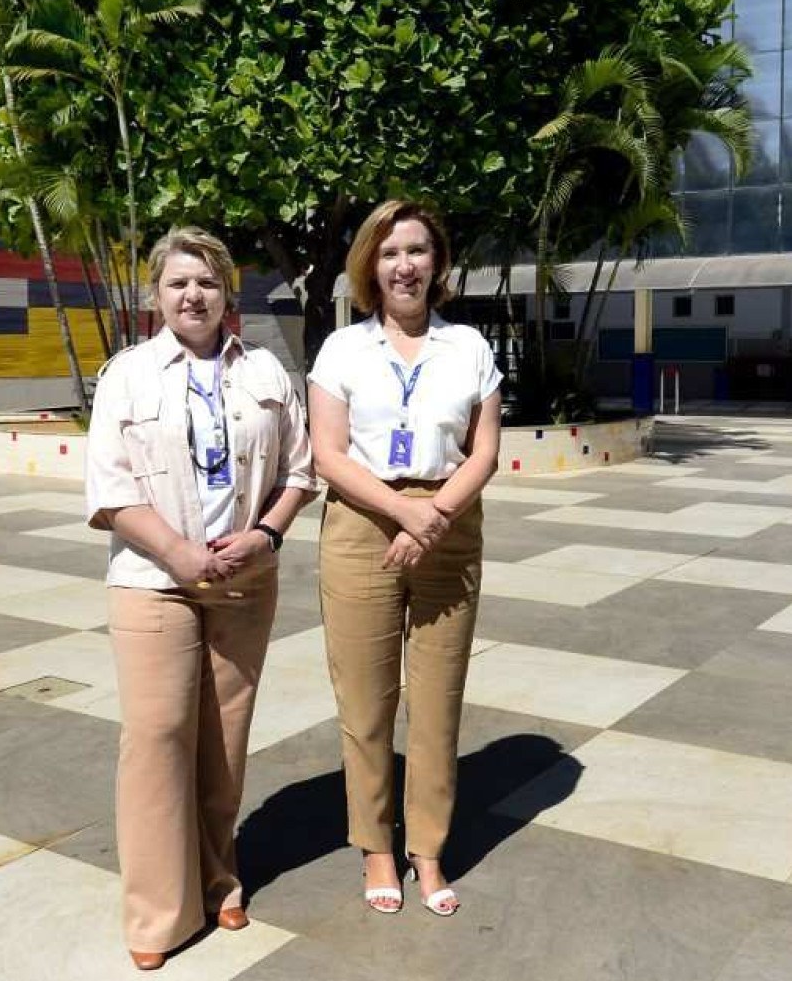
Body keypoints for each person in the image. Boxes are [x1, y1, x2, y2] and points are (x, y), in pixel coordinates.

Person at [86, 227, 316, 971]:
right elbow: (111, 490)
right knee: (156, 738)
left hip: (244, 581)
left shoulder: (267, 375)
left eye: (208, 282)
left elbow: (299, 472)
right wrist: (179, 551)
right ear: (156, 294)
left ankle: (220, 874)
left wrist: (268, 537)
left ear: (228, 295)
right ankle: (159, 910)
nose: (194, 295)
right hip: (155, 580)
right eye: (179, 282)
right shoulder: (126, 374)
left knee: (224, 739)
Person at [306, 200, 503, 918]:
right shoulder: (342, 350)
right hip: (364, 523)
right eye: (390, 253)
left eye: (417, 250)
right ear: (370, 265)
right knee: (366, 703)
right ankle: (376, 846)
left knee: (437, 699)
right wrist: (401, 512)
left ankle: (427, 847)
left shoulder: (470, 348)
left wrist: (435, 514)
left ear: (437, 261)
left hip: (449, 523)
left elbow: (483, 449)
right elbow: (327, 453)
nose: (405, 265)